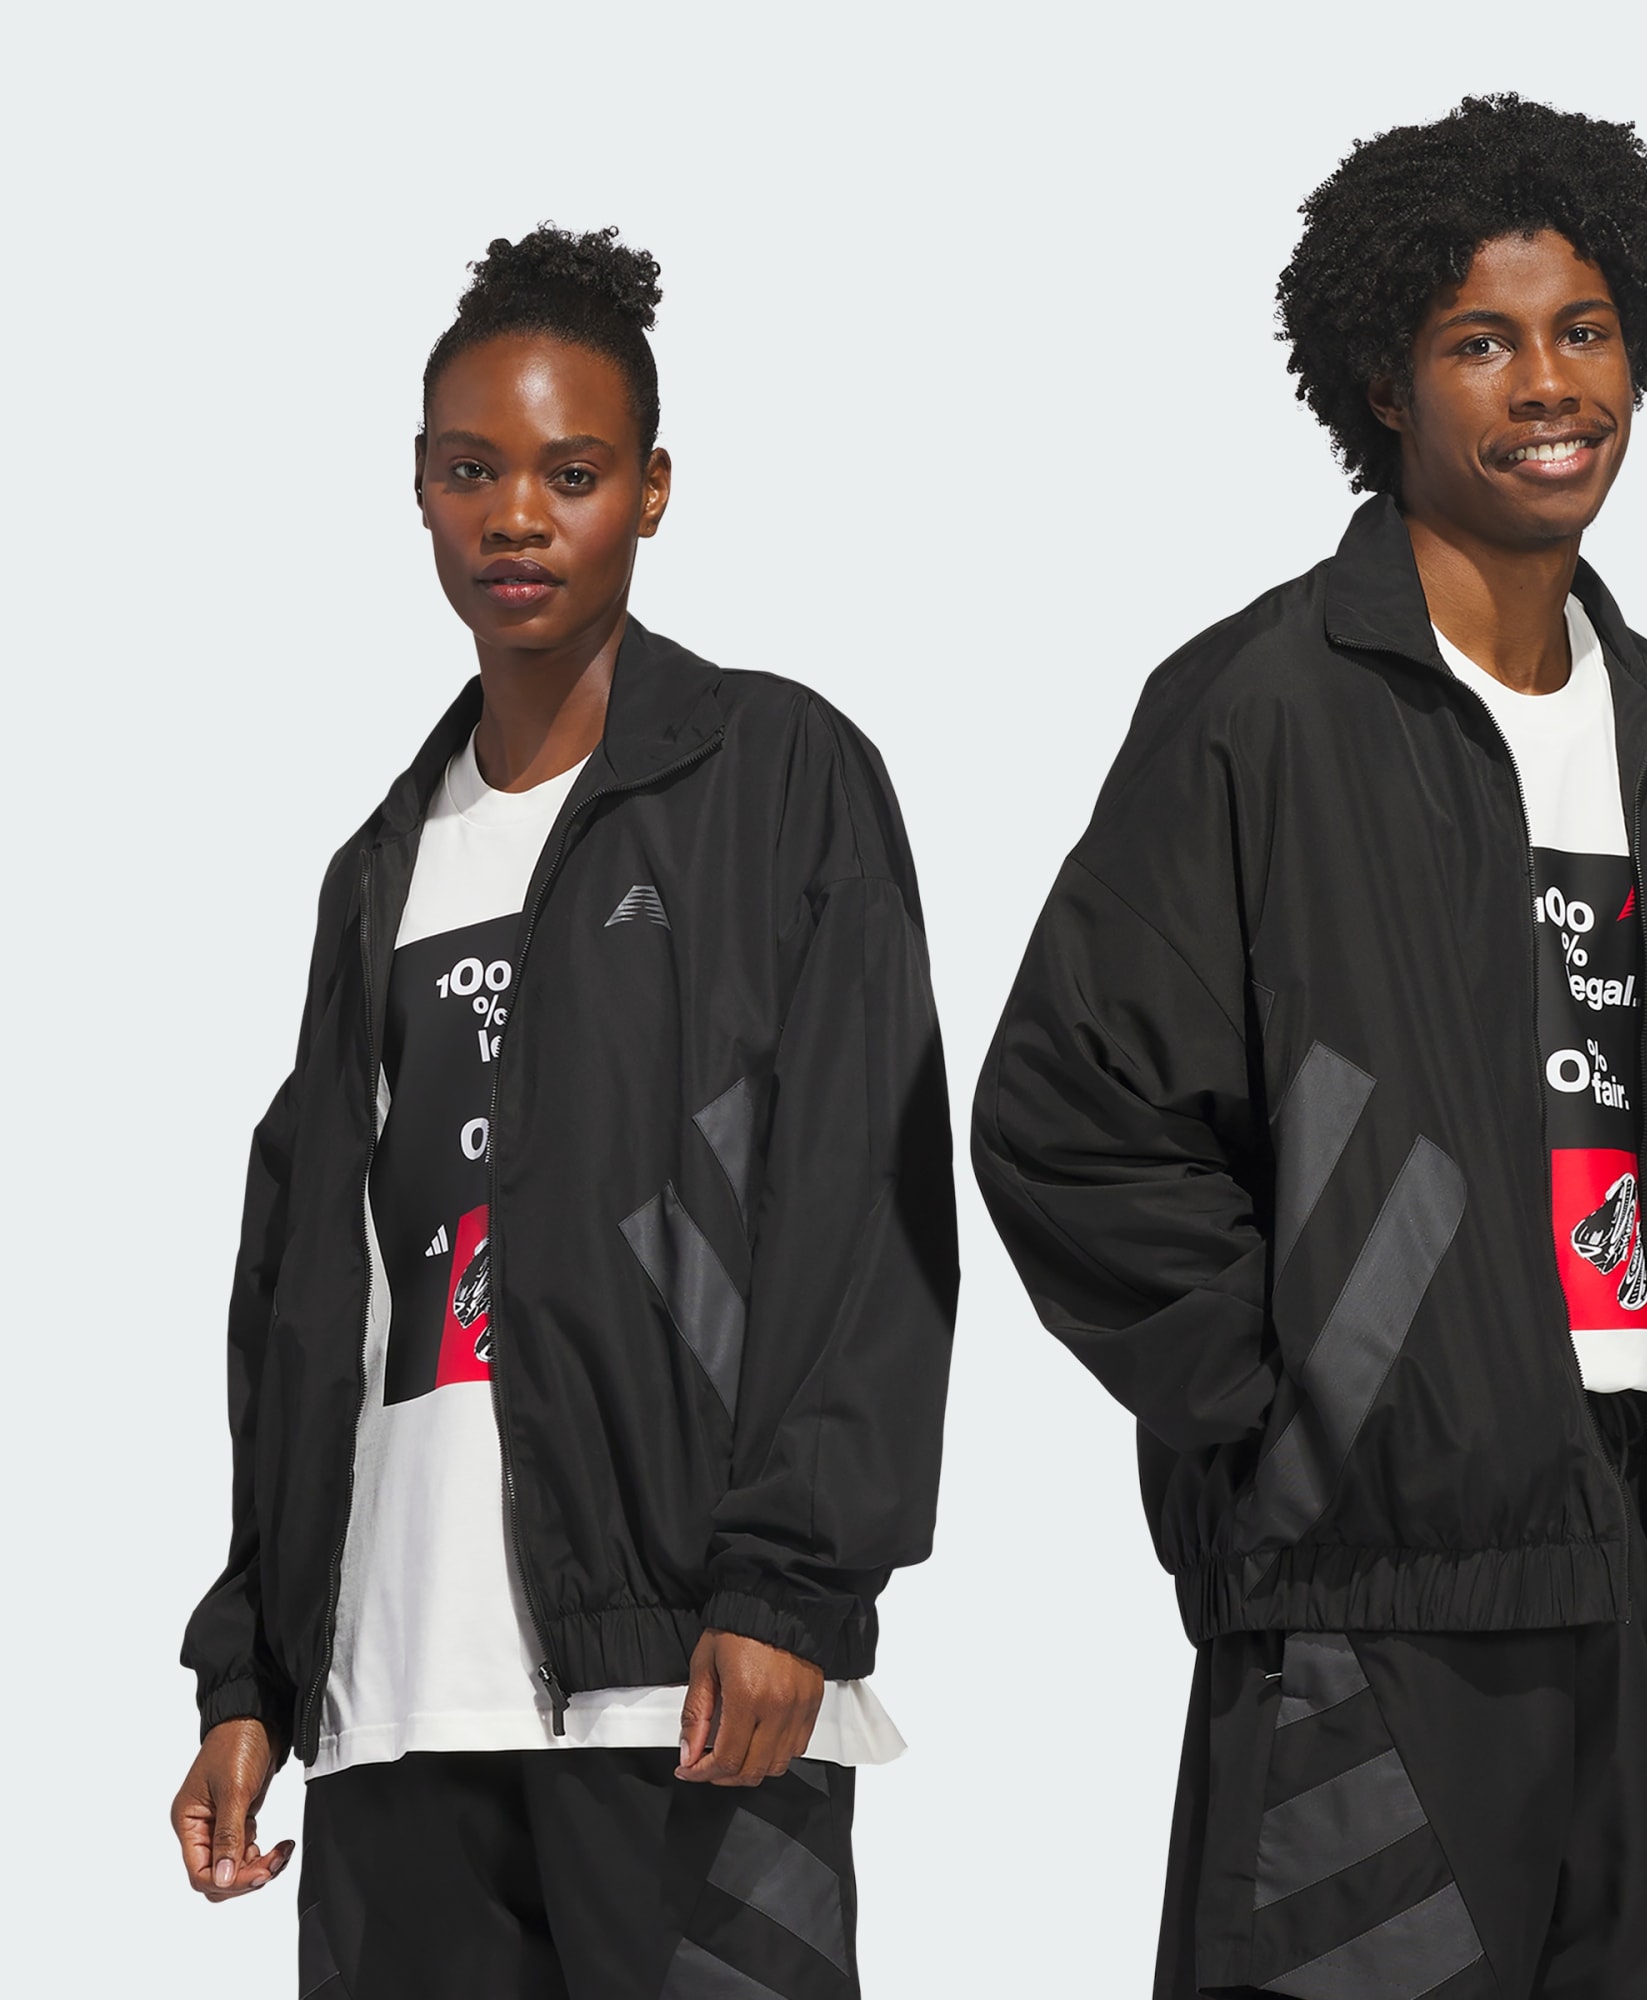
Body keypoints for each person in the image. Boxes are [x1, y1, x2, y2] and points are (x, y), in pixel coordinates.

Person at [972, 96, 1647, 1999]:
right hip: (1377, 1613)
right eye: (1482, 341)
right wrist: (1304, 1403)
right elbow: (1064, 1112)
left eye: (1584, 330)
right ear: (1385, 381)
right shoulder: (1265, 705)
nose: (1550, 384)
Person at [172, 225, 957, 2000]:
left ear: (653, 490)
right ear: (419, 488)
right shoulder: (379, 866)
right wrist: (255, 1673)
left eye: (572, 473)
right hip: (389, 1705)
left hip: (679, 1681)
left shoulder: (777, 778)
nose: (516, 517)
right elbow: (302, 1291)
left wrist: (788, 1592)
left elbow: (866, 1207)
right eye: (473, 472)